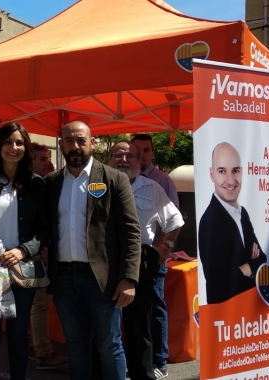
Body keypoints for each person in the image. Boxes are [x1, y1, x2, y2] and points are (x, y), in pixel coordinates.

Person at [45, 120, 141, 379]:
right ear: (61, 144)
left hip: (102, 280)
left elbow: (131, 232)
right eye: (68, 141)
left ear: (92, 143)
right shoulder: (52, 182)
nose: (75, 146)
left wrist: (129, 278)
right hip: (64, 278)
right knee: (74, 344)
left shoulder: (114, 178)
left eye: (80, 140)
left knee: (109, 345)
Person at [0, 124, 48, 380]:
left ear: (25, 148)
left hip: (21, 269)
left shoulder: (36, 185)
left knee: (18, 337)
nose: (13, 148)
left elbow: (44, 230)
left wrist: (23, 250)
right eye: (8, 142)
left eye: (19, 143)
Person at [107, 141, 183, 380]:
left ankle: (142, 373)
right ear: (108, 159)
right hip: (105, 262)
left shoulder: (151, 188)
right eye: (118, 155)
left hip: (140, 262)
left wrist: (164, 248)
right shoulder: (96, 187)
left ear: (139, 161)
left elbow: (175, 222)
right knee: (105, 326)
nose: (124, 159)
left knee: (139, 327)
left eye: (130, 156)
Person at [131, 133, 178, 376]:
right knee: (134, 315)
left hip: (151, 259)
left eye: (146, 150)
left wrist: (163, 249)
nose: (141, 154)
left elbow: (174, 220)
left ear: (152, 153)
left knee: (154, 309)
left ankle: (159, 362)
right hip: (127, 261)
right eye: (136, 150)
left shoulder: (161, 181)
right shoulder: (119, 178)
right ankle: (136, 361)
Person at [199, 142, 267, 304]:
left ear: (242, 172)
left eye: (235, 171)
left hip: (248, 309)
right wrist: (250, 265)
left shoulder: (243, 214)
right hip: (224, 312)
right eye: (222, 171)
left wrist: (246, 268)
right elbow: (217, 279)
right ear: (212, 174)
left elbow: (262, 258)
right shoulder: (209, 221)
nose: (230, 180)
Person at [28, 143, 67, 370]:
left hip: (37, 251)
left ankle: (33, 345)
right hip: (35, 253)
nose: (47, 163)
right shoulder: (35, 186)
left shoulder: (40, 184)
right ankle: (42, 352)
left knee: (33, 302)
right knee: (39, 302)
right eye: (42, 158)